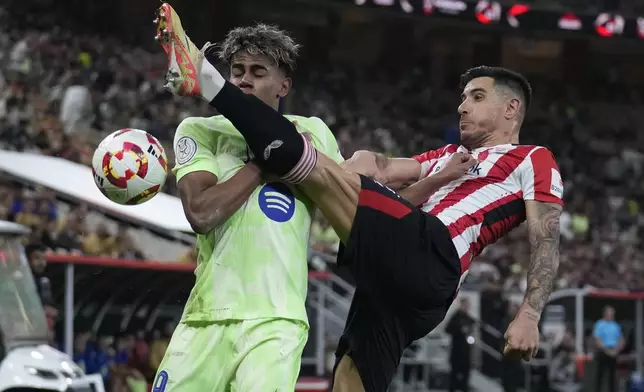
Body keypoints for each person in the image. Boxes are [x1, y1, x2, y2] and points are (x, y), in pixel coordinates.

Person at [155, 4, 563, 391]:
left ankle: (206, 79)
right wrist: (370, 164)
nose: (461, 106)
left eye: (476, 97)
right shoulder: (446, 157)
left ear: (511, 109)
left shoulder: (533, 159)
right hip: (391, 275)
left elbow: (546, 238)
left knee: (310, 162)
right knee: (352, 375)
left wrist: (529, 312)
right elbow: (384, 174)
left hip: (433, 254)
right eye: (462, 97)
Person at [152, 10, 345, 392]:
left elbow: (345, 195)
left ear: (283, 85)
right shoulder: (199, 131)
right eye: (237, 69)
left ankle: (199, 71)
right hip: (205, 319)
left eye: (258, 72)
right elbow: (202, 214)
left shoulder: (312, 132)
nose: (244, 79)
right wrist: (262, 166)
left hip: (275, 321)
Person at [446, 299, 474, 392]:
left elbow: (472, 326)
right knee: (454, 374)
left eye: (467, 306)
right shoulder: (455, 318)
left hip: (466, 351)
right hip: (456, 350)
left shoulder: (469, 319)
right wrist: (459, 329)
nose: (465, 308)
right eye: (464, 306)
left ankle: (464, 388)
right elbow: (448, 329)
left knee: (466, 374)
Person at [593, 306, 623, 392]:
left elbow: (620, 339)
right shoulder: (600, 324)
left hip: (614, 351)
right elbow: (597, 339)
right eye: (610, 313)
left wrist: (616, 350)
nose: (611, 315)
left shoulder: (615, 325)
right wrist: (607, 350)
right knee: (600, 374)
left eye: (613, 314)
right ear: (605, 314)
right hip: (603, 351)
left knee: (613, 375)